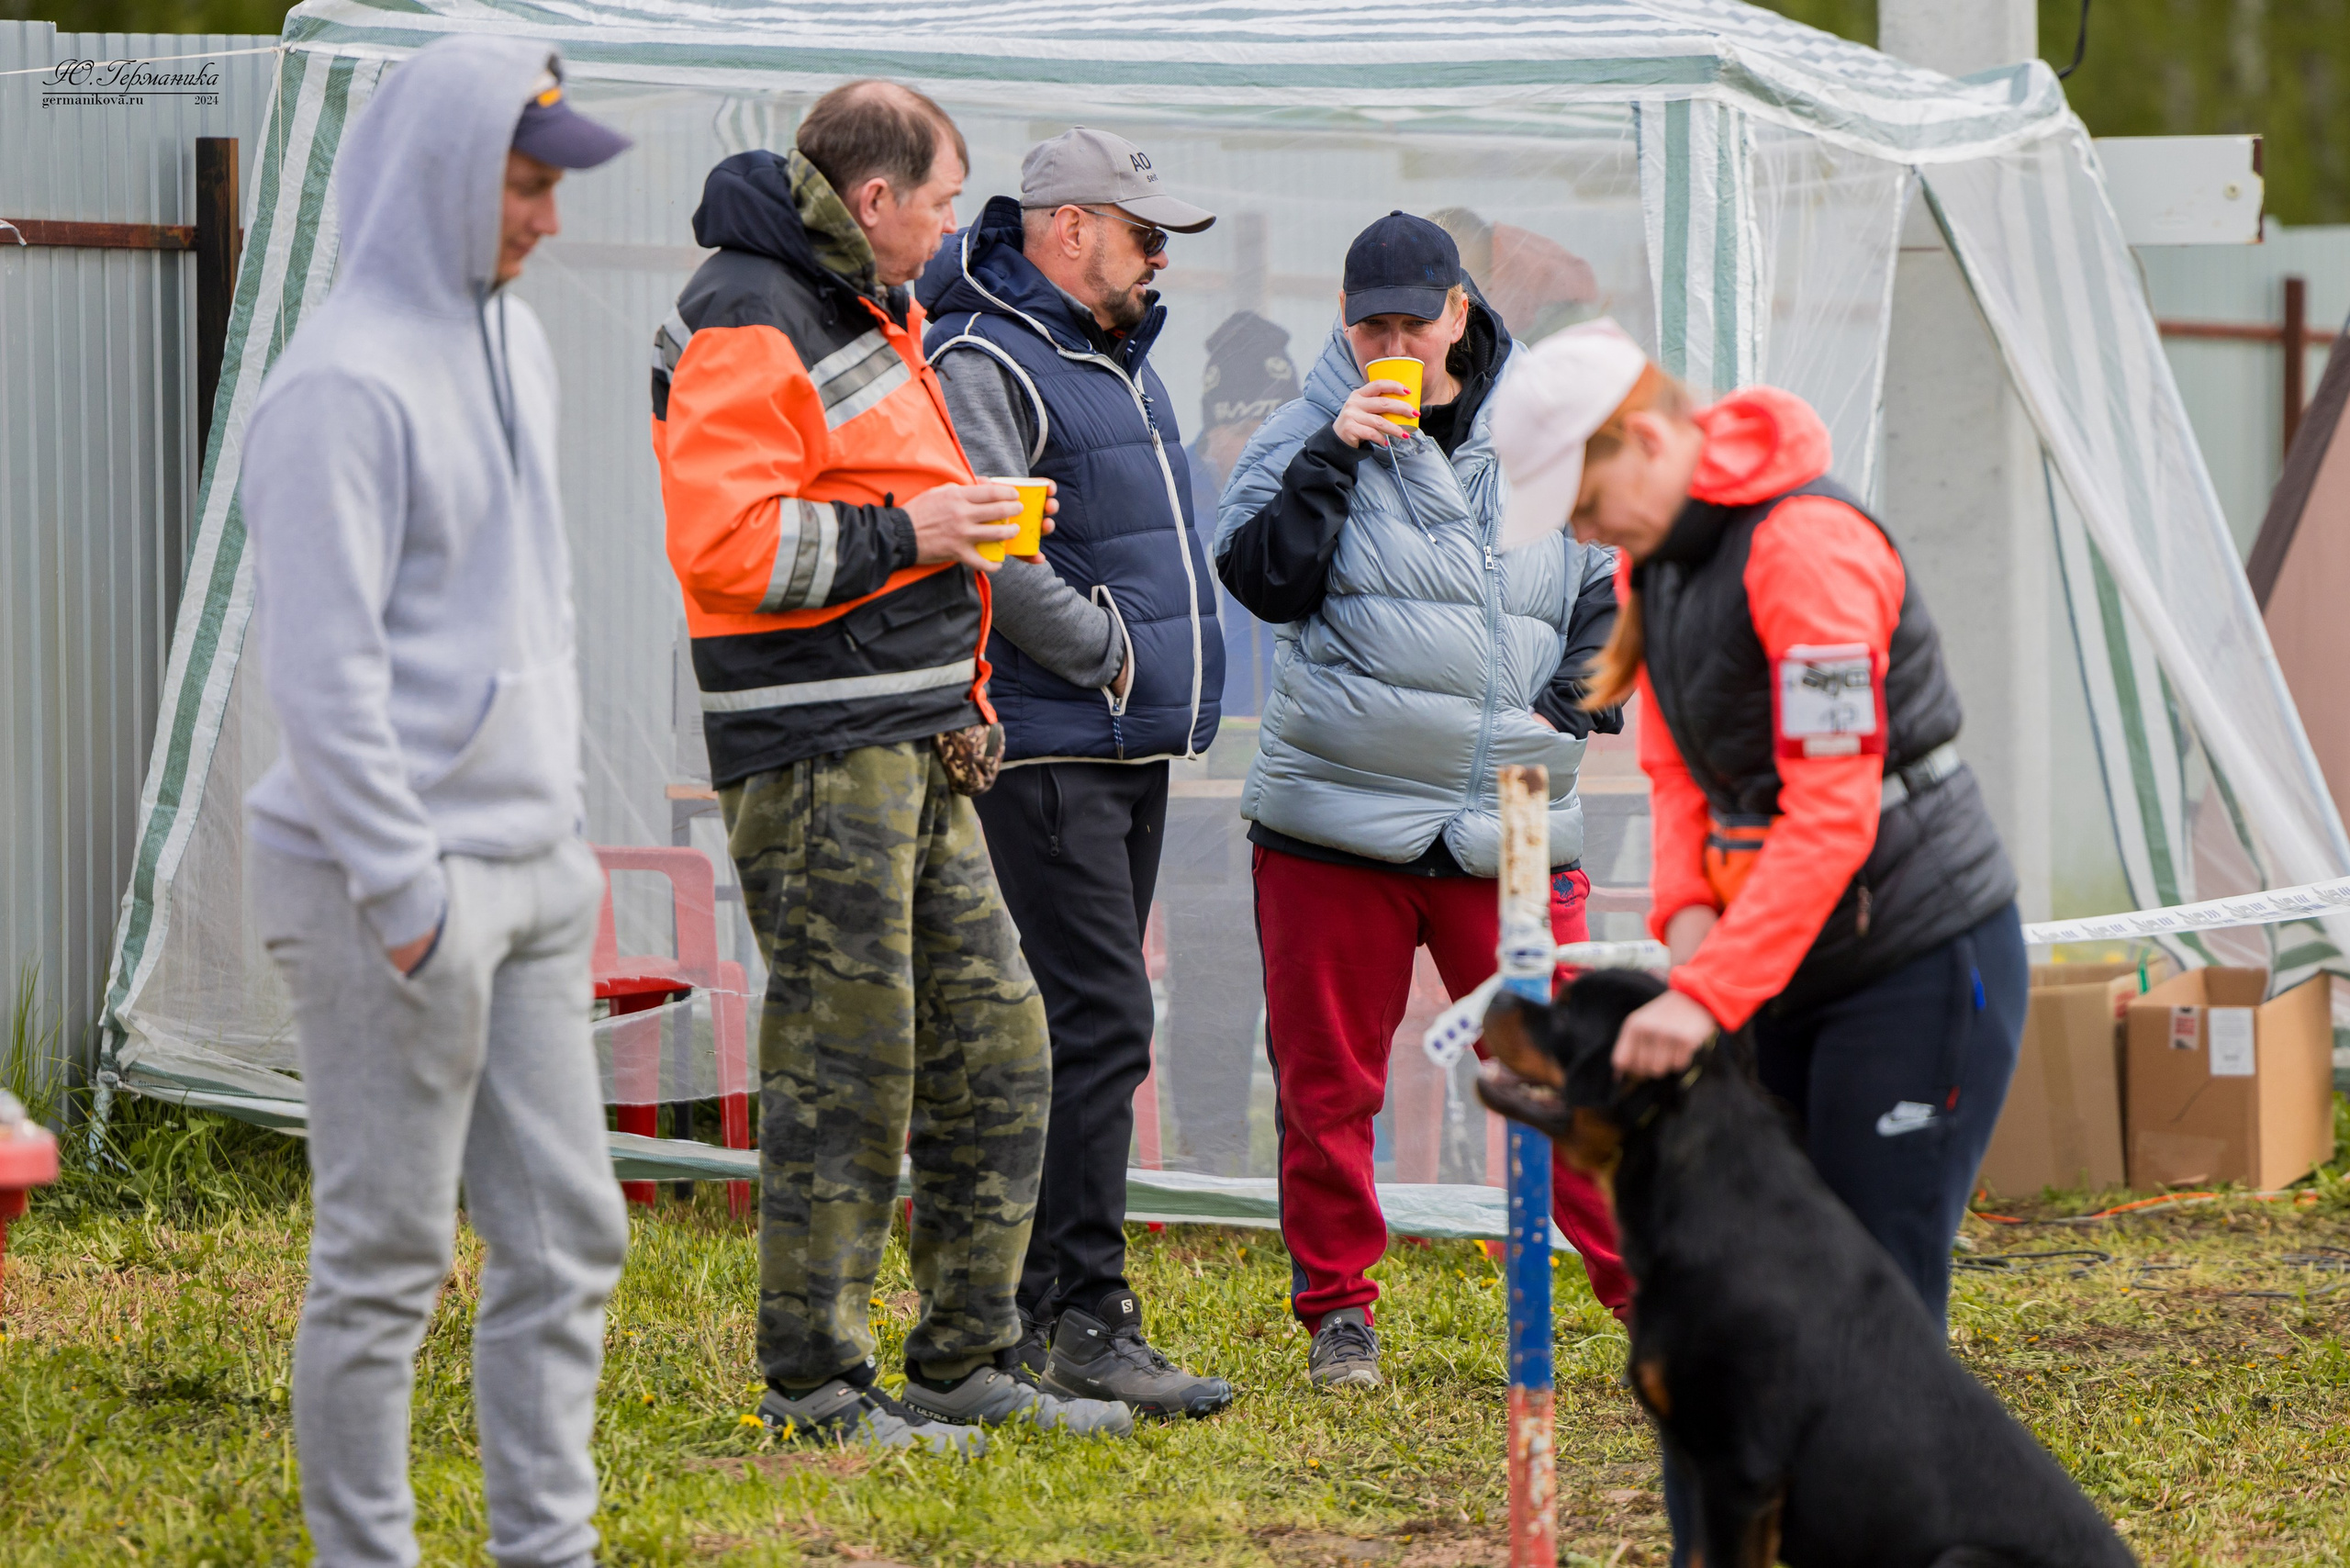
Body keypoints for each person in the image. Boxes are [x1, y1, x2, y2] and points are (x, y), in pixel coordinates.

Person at [1488, 319, 2024, 1561]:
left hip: (1917, 962)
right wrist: (1686, 927)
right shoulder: (1656, 567)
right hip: (1782, 966)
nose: (1576, 533)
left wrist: (1710, 991)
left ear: (1650, 436)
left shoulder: (1810, 549)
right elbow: (1683, 774)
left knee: (1871, 1310)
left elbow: (1833, 812)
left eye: (1579, 497)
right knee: (1742, 1293)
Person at [651, 81, 1130, 1449]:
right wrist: (922, 534)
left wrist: (965, 691)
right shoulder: (751, 309)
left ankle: (966, 1362)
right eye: (935, 198)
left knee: (1000, 1046)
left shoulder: (859, 303)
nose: (945, 224)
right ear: (873, 202)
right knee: (845, 1068)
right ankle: (815, 1386)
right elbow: (731, 548)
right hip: (813, 747)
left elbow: (885, 513)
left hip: (910, 738)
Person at [241, 40, 633, 1566]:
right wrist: (410, 900)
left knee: (568, 1238)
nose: (545, 216)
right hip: (380, 889)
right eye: (526, 184)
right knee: (387, 1257)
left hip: (533, 870)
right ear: (443, 180)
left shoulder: (512, 343)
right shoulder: (334, 389)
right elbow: (321, 676)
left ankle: (548, 1547)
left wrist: (561, 843)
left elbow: (537, 601)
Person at [1214, 211, 1631, 1392]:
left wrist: (1579, 695)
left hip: (1509, 813)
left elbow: (1613, 576)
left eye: (1414, 318)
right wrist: (1331, 453)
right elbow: (1260, 580)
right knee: (1328, 1082)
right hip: (1334, 816)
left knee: (1560, 1067)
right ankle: (1338, 1311)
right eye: (1370, 324)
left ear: (1461, 310)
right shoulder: (1306, 425)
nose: (1393, 343)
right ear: (1343, 326)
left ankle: (1652, 1295)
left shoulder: (1545, 423)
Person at [918, 127, 1235, 1418]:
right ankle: (1076, 1314)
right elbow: (992, 544)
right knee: (1096, 1022)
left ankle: (1052, 1307)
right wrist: (1106, 653)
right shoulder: (991, 353)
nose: (1161, 260)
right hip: (1049, 742)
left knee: (1085, 1025)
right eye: (1145, 234)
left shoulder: (1105, 356)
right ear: (1068, 229)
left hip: (1120, 740)